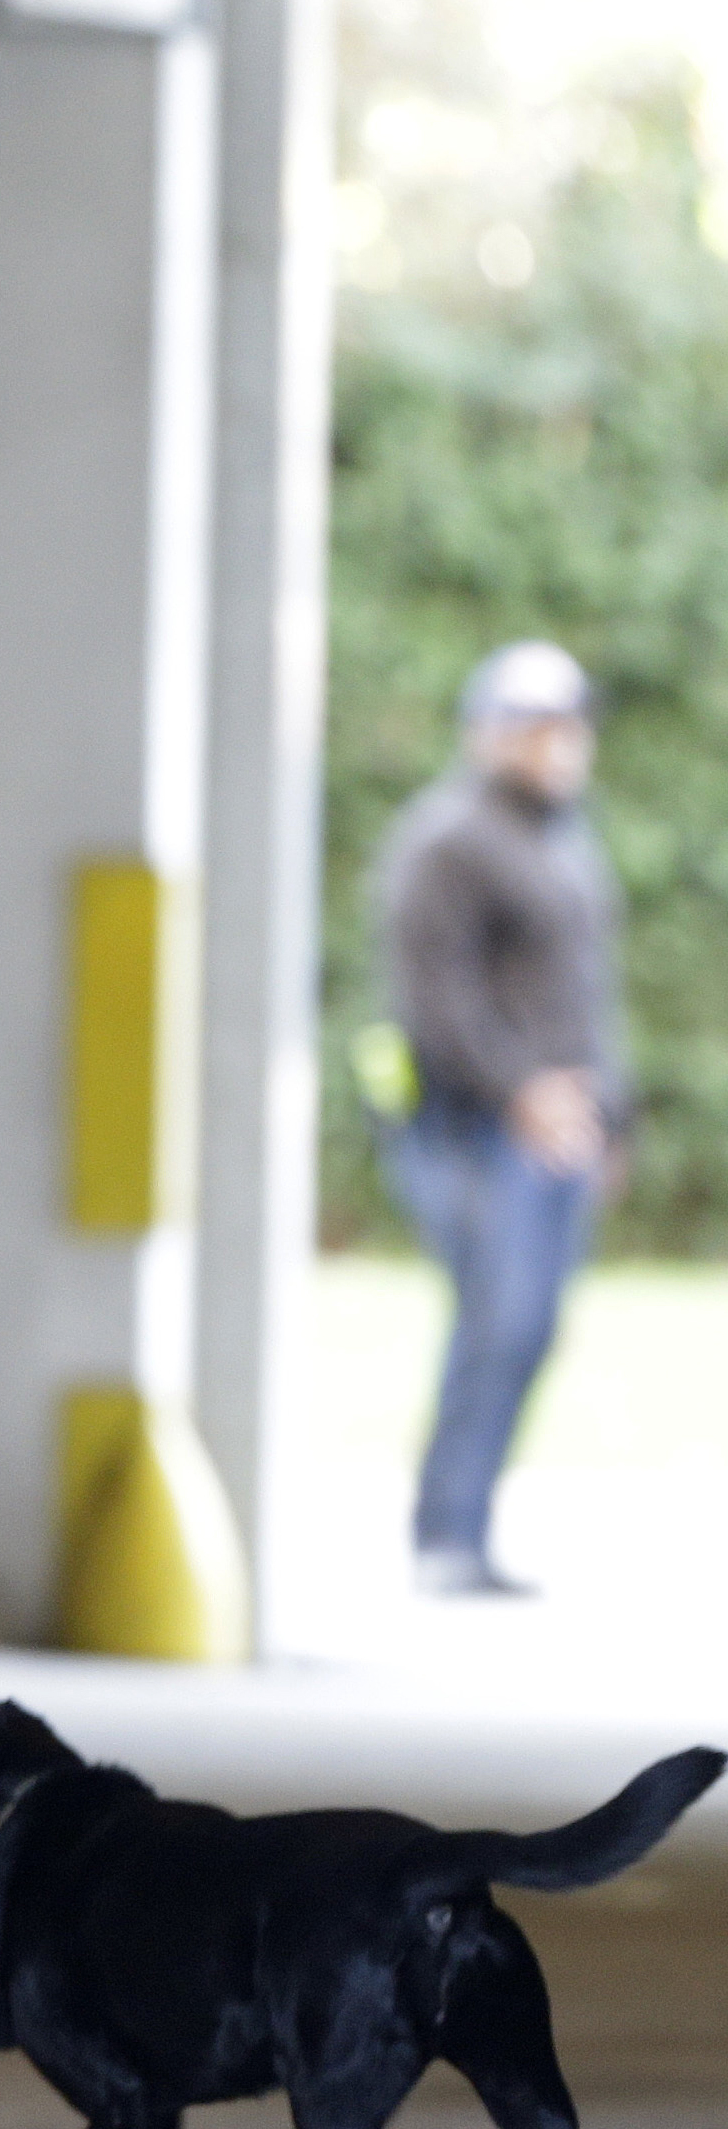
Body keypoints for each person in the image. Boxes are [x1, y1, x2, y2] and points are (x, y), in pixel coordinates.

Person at [373, 639, 627, 1598]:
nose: (554, 744)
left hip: (567, 1129)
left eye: (566, 724)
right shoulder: (447, 839)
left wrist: (613, 1118)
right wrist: (522, 1090)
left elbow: (589, 1001)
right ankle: (446, 1535)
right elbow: (434, 999)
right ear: (486, 733)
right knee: (497, 1317)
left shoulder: (567, 842)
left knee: (532, 1327)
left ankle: (471, 1531)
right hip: (478, 1126)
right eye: (531, 725)